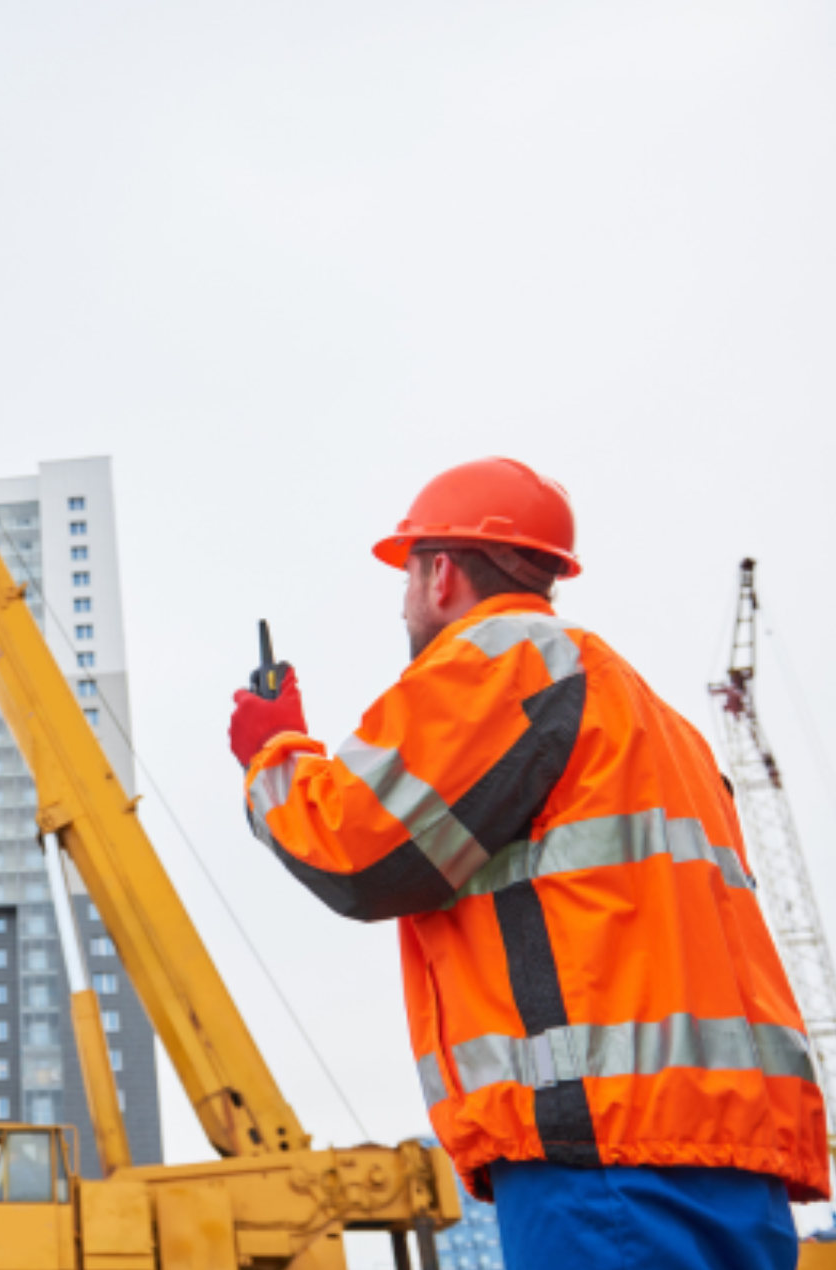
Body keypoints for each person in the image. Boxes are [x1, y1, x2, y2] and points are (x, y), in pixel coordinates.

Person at [227, 457, 828, 1268]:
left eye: (405, 574)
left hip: (603, 1155)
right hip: (734, 1161)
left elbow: (353, 850)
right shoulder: (655, 720)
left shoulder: (500, 661)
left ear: (441, 573)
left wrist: (272, 753)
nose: (404, 600)